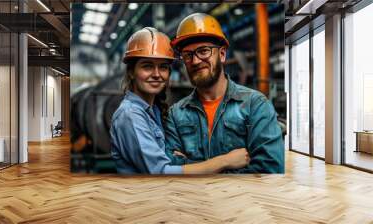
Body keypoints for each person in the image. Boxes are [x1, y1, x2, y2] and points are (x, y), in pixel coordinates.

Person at [110, 27, 250, 174]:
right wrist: (226, 161)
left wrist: (182, 162)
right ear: (132, 72)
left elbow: (171, 161)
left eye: (163, 67)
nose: (157, 74)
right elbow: (160, 172)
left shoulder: (153, 111)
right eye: (147, 66)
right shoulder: (130, 115)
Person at [166, 13, 284, 173]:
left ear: (222, 54)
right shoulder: (176, 114)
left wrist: (192, 166)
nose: (195, 61)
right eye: (188, 55)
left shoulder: (255, 105)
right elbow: (171, 170)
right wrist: (225, 162)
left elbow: (269, 171)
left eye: (203, 51)